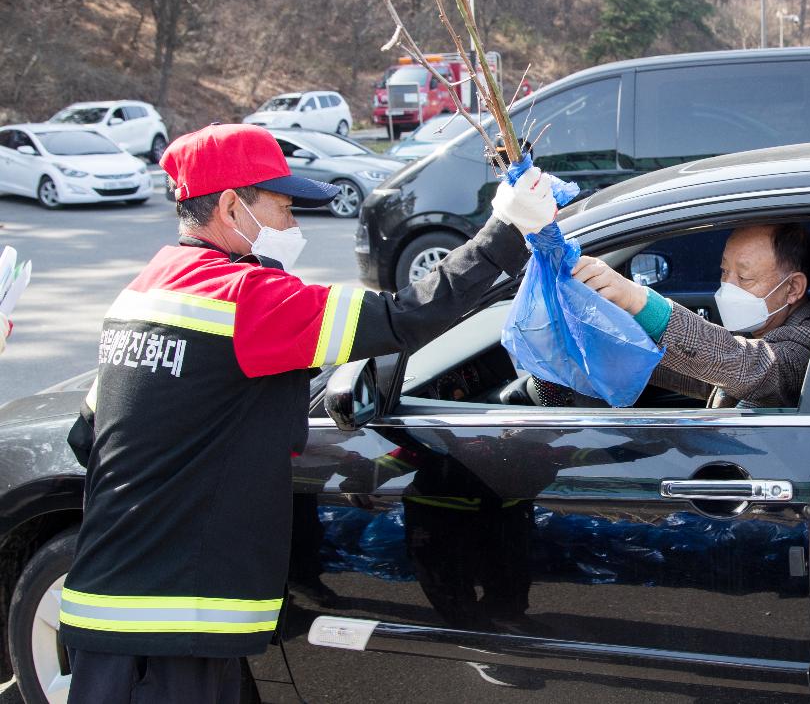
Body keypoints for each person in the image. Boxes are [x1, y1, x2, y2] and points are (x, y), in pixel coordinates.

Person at [60, 123, 557, 703]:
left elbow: (87, 433)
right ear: (229, 206)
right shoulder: (245, 297)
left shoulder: (144, 291)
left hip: (106, 602)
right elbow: (404, 317)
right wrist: (506, 231)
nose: (293, 225)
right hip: (174, 621)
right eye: (284, 207)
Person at [571, 223, 810, 409]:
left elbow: (747, 366)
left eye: (744, 278)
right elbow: (705, 375)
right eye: (724, 272)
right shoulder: (767, 329)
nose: (727, 287)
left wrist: (637, 300)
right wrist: (610, 352)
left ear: (793, 288)